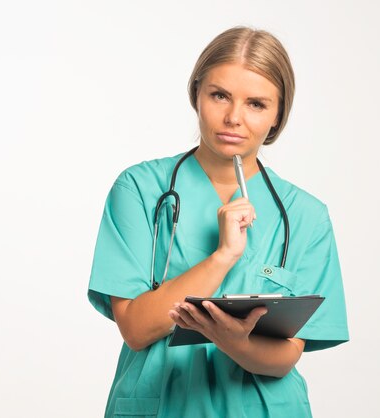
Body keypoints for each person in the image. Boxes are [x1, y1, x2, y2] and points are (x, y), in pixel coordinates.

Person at [88, 26, 349, 417]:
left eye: (256, 104)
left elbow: (286, 355)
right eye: (219, 95)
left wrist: (235, 342)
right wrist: (223, 257)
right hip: (162, 405)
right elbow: (137, 328)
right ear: (197, 95)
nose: (233, 118)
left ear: (278, 116)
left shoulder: (305, 216)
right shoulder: (140, 190)